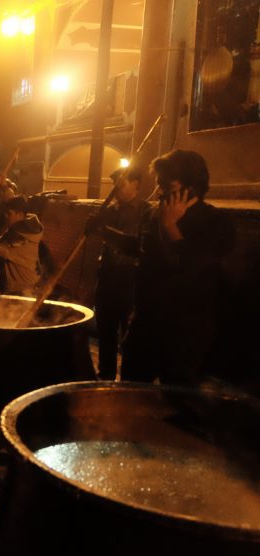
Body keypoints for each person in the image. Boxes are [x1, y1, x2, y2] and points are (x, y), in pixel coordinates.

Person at [106, 150, 235, 385]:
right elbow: (142, 248)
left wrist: (170, 227)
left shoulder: (216, 222)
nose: (160, 191)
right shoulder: (152, 213)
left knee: (176, 397)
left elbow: (192, 264)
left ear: (191, 187)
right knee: (132, 392)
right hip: (145, 322)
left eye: (168, 185)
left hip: (184, 331)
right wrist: (104, 232)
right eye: (159, 183)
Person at [85, 166, 149, 380]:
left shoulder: (146, 212)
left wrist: (103, 230)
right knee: (106, 333)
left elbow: (135, 245)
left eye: (120, 183)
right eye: (114, 184)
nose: (116, 188)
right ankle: (106, 377)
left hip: (130, 282)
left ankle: (130, 381)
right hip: (107, 279)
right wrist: (92, 227)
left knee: (130, 336)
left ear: (135, 184)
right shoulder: (109, 211)